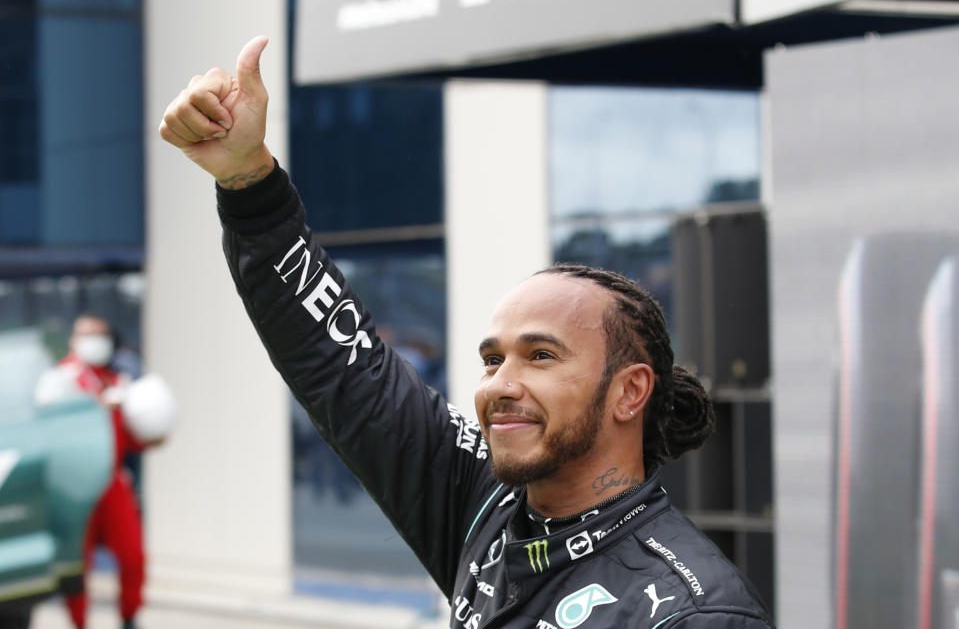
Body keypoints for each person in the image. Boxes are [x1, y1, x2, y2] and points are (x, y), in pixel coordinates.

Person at [159, 36, 775, 628]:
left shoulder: (694, 611)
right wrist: (248, 181)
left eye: (541, 355)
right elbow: (343, 368)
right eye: (491, 359)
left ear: (629, 392)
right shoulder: (484, 499)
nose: (501, 384)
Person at [56, 315, 148, 629]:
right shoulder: (61, 380)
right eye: (87, 335)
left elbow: (135, 439)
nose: (95, 341)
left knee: (133, 555)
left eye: (100, 335)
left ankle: (129, 616)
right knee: (77, 562)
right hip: (74, 486)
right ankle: (78, 620)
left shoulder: (116, 381)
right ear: (74, 340)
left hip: (112, 480)